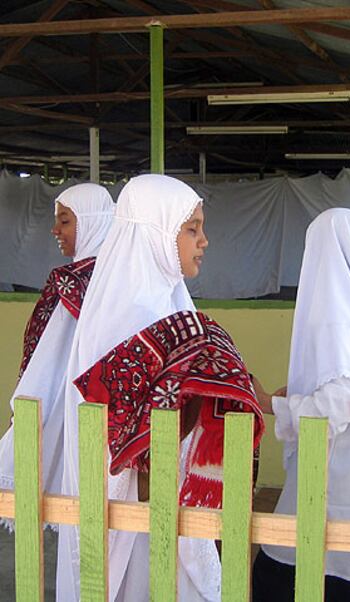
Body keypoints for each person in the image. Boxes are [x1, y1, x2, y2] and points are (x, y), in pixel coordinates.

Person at [56, 174, 264, 602]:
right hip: (131, 509)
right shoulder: (126, 314)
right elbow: (119, 429)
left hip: (168, 508)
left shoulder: (172, 304)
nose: (203, 240)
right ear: (157, 232)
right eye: (191, 229)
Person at [252, 208, 350, 602]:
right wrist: (300, 391)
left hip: (331, 488)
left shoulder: (336, 316)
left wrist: (270, 403)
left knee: (283, 571)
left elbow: (344, 396)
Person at [0, 183, 114, 517]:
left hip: (77, 407)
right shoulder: (120, 279)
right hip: (110, 414)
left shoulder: (70, 281)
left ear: (92, 221)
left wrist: (26, 399)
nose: (55, 230)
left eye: (65, 221)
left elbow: (47, 356)